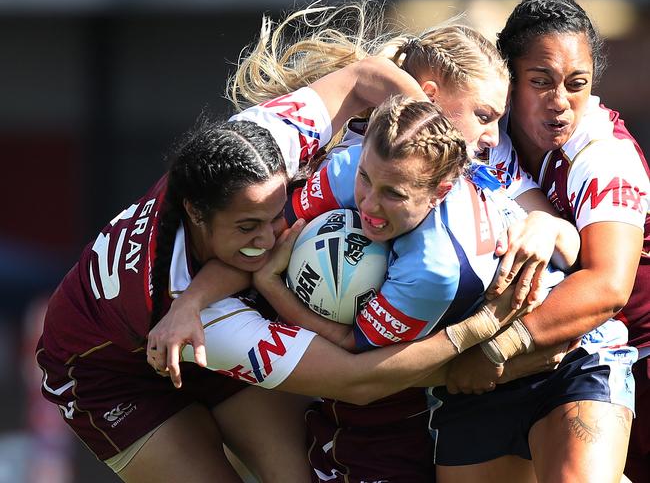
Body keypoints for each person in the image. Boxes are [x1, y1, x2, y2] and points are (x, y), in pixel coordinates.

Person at [36, 55, 525, 483]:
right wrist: (476, 336)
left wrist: (430, 143)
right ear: (196, 213)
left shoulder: (265, 141)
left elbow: (365, 76)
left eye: (276, 216)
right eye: (249, 227)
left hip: (199, 315)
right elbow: (358, 380)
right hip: (106, 369)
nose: (272, 238)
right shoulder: (202, 319)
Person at [427, 0, 649, 482]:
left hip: (618, 350)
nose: (559, 101)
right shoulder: (486, 128)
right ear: (509, 79)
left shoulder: (605, 156)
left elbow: (608, 288)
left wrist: (492, 350)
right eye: (540, 81)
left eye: (577, 85)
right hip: (507, 357)